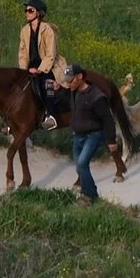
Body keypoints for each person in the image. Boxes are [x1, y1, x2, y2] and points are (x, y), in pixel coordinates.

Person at [53, 59, 116, 203]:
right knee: (79, 166)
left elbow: (108, 119)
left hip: (93, 135)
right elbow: (65, 95)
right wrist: (58, 89)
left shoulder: (97, 96)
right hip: (78, 136)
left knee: (82, 164)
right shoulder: (73, 92)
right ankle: (91, 194)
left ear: (80, 77)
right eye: (67, 82)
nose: (69, 84)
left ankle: (89, 196)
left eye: (71, 81)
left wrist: (111, 140)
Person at [18, 0, 62, 128]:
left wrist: (40, 69)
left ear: (38, 13)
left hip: (48, 67)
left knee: (47, 84)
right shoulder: (24, 30)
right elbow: (23, 53)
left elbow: (51, 54)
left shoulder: (47, 29)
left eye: (30, 10)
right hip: (30, 67)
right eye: (26, 10)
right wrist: (24, 69)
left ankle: (51, 116)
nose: (27, 13)